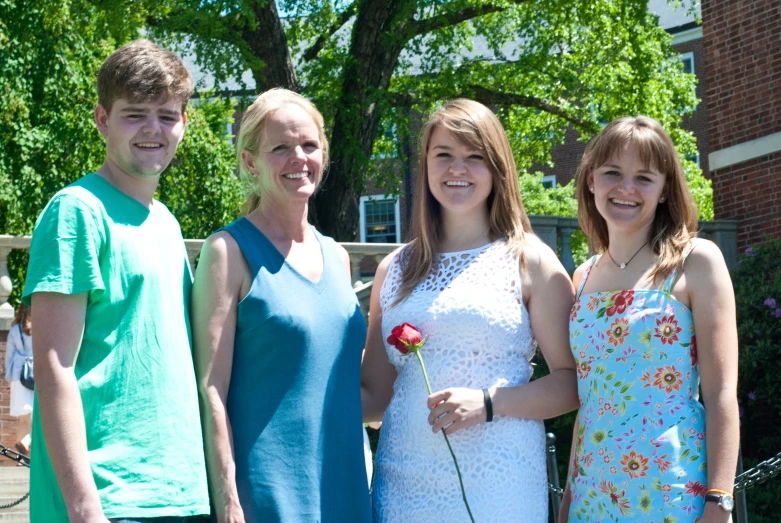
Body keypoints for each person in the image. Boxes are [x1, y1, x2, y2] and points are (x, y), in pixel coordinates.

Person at [361, 99, 579, 522]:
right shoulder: (394, 269)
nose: (456, 169)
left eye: (474, 158)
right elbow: (373, 398)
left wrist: (488, 403)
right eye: (444, 155)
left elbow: (572, 385)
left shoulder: (530, 260)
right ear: (424, 165)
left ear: (497, 169)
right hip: (402, 486)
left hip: (499, 487)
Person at [22, 39, 209, 522]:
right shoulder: (77, 211)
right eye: (134, 114)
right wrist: (85, 509)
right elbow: (52, 366)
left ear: (184, 124)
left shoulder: (166, 222)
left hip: (181, 493)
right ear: (102, 119)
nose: (153, 129)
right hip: (110, 498)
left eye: (167, 115)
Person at [192, 88, 371, 523]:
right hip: (266, 494)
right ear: (251, 162)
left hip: (345, 485)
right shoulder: (228, 251)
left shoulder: (337, 256)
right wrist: (228, 501)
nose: (299, 157)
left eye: (309, 145)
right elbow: (210, 389)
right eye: (281, 147)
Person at [559, 116, 739, 523]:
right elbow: (590, 401)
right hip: (592, 494)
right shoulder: (582, 277)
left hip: (672, 492)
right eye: (612, 173)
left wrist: (720, 501)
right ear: (591, 181)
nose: (626, 188)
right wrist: (569, 498)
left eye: (644, 177)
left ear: (663, 191)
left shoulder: (696, 261)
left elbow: (721, 394)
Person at [5, 303, 33, 455]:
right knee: (38, 417)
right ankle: (26, 442)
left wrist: (9, 383)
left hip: (18, 376)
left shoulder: (14, 330)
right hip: (36, 376)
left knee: (23, 419)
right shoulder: (41, 328)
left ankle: (22, 456)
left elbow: (9, 357)